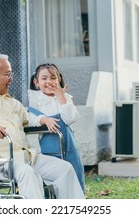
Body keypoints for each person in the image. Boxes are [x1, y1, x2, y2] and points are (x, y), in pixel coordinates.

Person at [0, 53, 85, 199]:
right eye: (8, 74)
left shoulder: (11, 102)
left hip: (23, 157)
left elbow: (29, 118)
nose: (11, 78)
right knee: (27, 173)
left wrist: (43, 118)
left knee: (65, 169)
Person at [28, 63, 85, 193]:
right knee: (54, 182)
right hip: (50, 152)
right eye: (44, 78)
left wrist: (61, 97)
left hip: (69, 149)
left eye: (53, 78)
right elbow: (30, 119)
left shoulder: (65, 98)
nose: (49, 81)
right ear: (36, 82)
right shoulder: (35, 100)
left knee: (74, 176)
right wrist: (43, 119)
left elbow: (70, 118)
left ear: (59, 79)